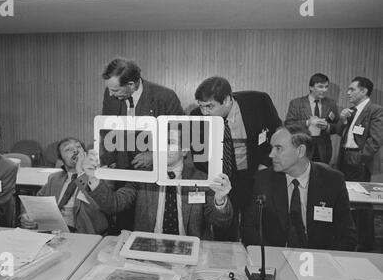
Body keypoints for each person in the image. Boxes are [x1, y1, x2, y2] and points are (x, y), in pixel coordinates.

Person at [82, 129, 234, 239]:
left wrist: (220, 201)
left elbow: (223, 223)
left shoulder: (201, 179)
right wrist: (92, 179)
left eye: (170, 143)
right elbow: (113, 205)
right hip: (149, 248)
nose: (163, 148)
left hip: (192, 250)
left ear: (185, 150)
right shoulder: (143, 177)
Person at [190, 76, 281, 241]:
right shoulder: (196, 116)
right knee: (224, 228)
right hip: (224, 179)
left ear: (226, 100)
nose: (204, 112)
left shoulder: (258, 102)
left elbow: (277, 133)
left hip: (255, 172)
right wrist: (217, 174)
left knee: (254, 225)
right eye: (201, 106)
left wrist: (265, 164)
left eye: (210, 106)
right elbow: (199, 158)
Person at [101, 57, 184, 232]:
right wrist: (111, 161)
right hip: (122, 174)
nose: (110, 94)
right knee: (123, 225)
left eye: (115, 89)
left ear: (131, 84)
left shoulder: (165, 97)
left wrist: (154, 156)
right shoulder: (111, 95)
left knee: (147, 224)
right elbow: (106, 130)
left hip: (152, 179)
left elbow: (180, 138)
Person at [242, 125, 357, 251]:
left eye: (278, 148)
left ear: (300, 151)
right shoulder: (262, 180)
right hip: (275, 259)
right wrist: (270, 256)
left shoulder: (333, 181)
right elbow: (249, 228)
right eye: (272, 148)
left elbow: (347, 236)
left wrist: (324, 261)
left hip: (319, 259)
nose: (271, 154)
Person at [20, 137, 109, 234]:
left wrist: (83, 171)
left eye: (78, 147)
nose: (75, 151)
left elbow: (98, 208)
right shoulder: (54, 178)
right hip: (53, 232)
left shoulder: (97, 178)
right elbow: (35, 203)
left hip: (83, 234)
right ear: (61, 160)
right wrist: (27, 216)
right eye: (68, 149)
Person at [336, 76, 383, 251]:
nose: (348, 93)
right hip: (344, 158)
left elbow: (376, 140)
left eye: (352, 89)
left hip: (359, 161)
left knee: (363, 204)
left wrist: (360, 158)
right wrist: (343, 119)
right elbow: (339, 132)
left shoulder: (375, 110)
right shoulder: (351, 110)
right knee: (346, 201)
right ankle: (349, 239)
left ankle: (366, 244)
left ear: (363, 91)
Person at [285, 73, 339, 164]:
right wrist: (307, 122)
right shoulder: (296, 103)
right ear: (311, 87)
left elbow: (337, 127)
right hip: (302, 147)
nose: (324, 90)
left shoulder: (331, 104)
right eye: (320, 87)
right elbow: (288, 125)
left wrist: (327, 126)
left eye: (326, 87)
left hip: (323, 150)